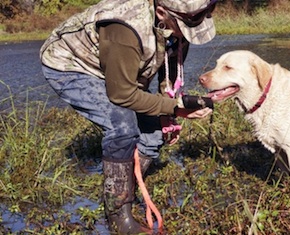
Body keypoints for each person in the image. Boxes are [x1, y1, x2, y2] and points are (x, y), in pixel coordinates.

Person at [39, 0, 217, 233]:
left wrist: (168, 110)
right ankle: (117, 214)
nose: (188, 31)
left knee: (155, 134)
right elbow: (122, 94)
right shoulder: (125, 27)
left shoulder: (174, 23)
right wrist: (174, 108)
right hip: (71, 65)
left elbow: (170, 66)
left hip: (116, 67)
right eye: (185, 24)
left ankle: (127, 184)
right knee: (122, 128)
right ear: (163, 12)